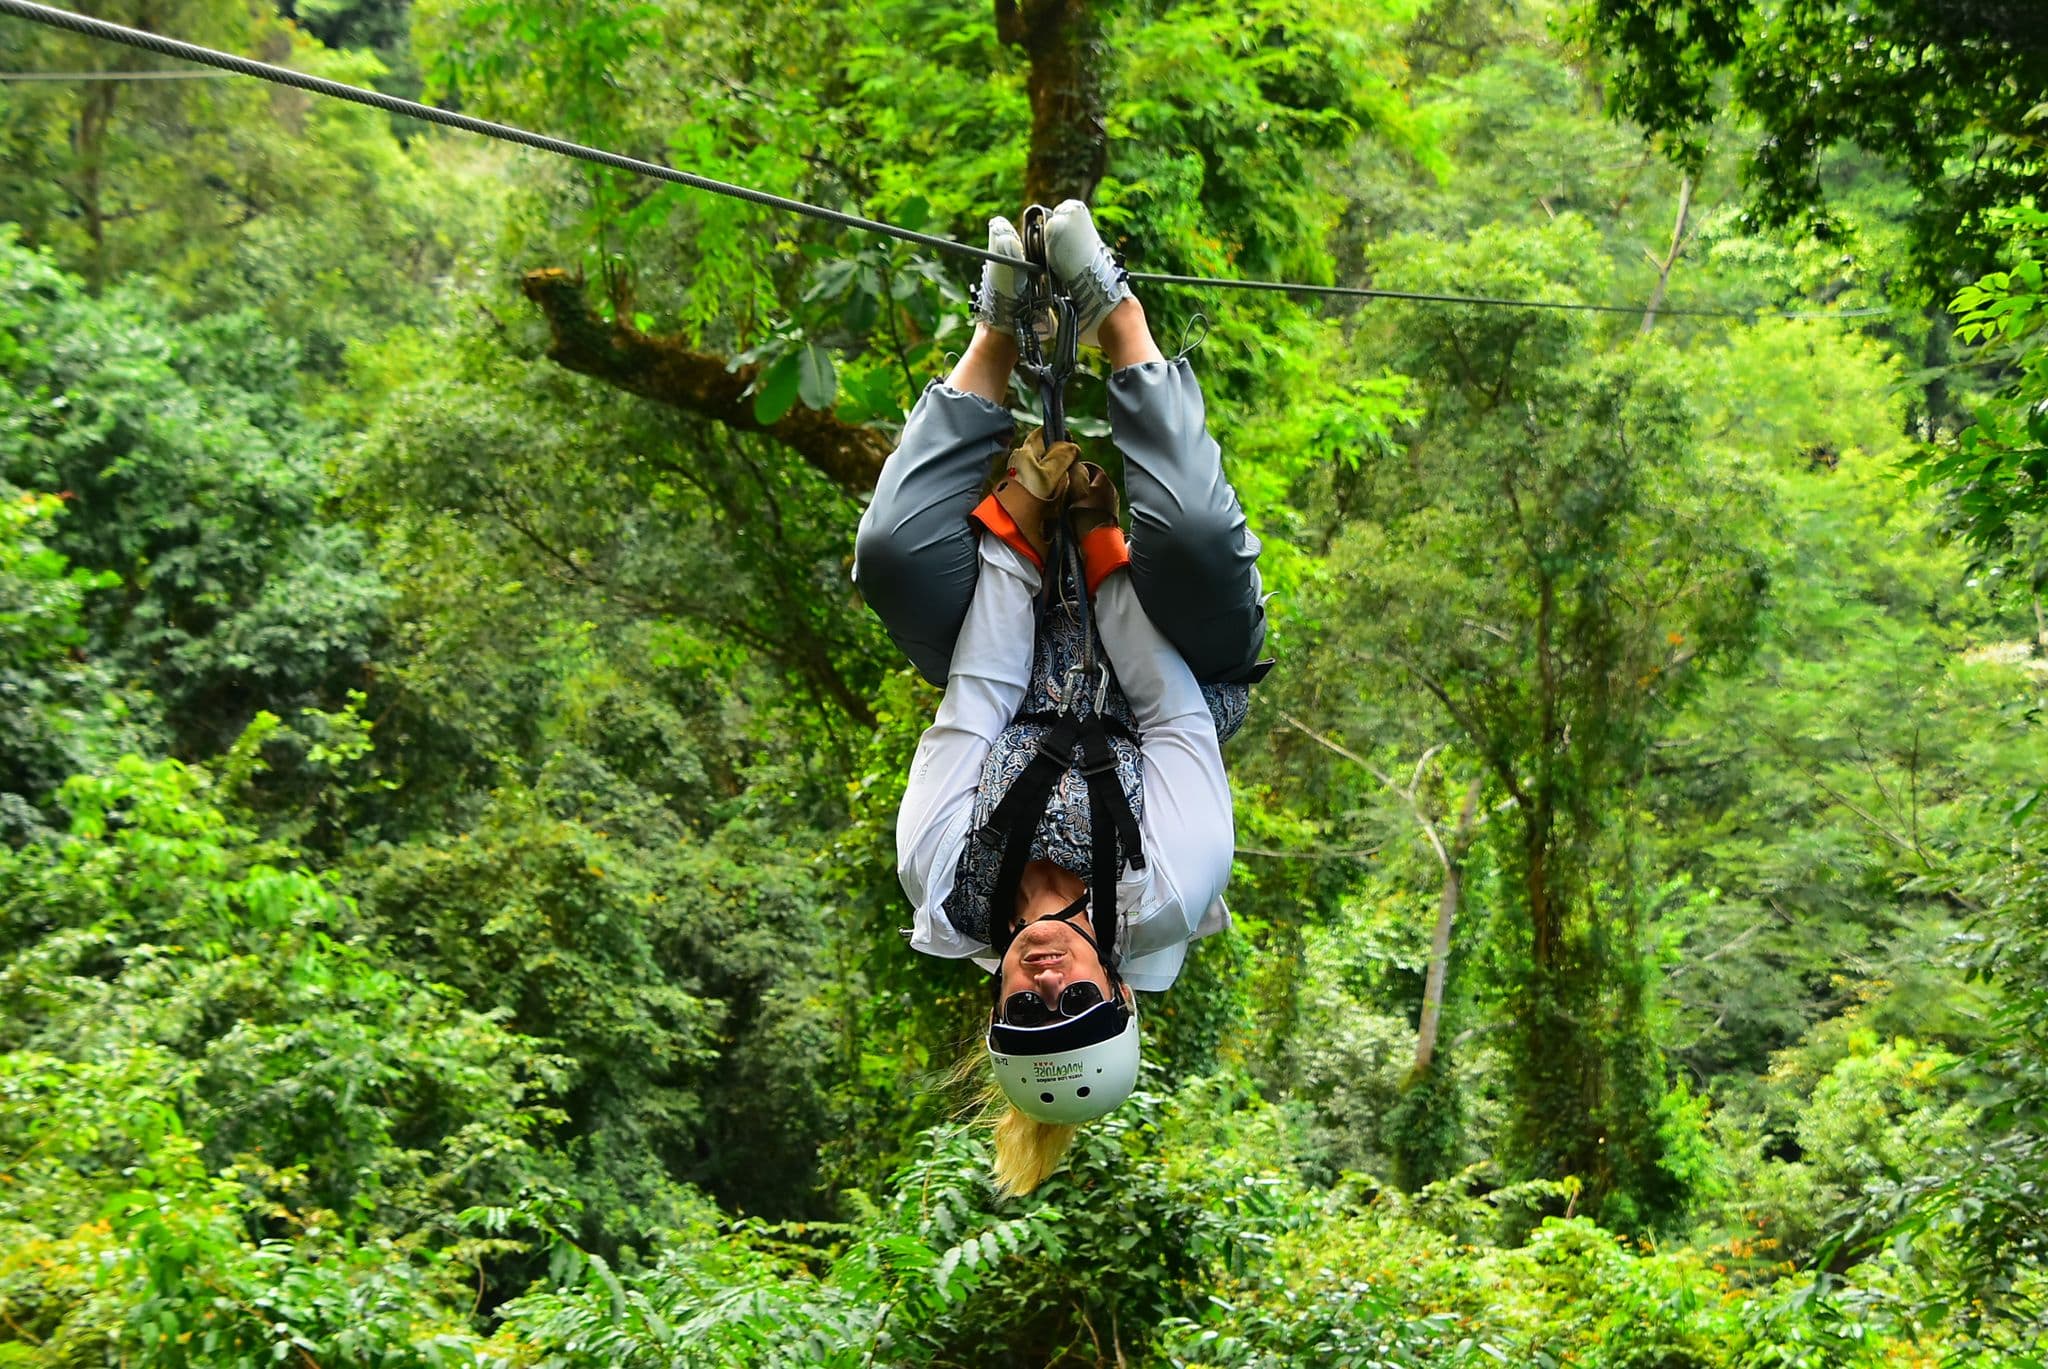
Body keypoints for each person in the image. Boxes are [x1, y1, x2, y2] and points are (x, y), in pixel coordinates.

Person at [853, 201, 1268, 1196]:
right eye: (1073, 1002)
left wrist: (1023, 520)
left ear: (992, 1002)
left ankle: (996, 327)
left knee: (890, 560)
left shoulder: (944, 877)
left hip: (1018, 653)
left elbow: (975, 699)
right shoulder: (1168, 883)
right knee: (1200, 542)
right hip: (1173, 667)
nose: (1043, 986)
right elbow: (1168, 709)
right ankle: (1114, 312)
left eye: (1023, 1014)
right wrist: (1094, 532)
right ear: (1117, 986)